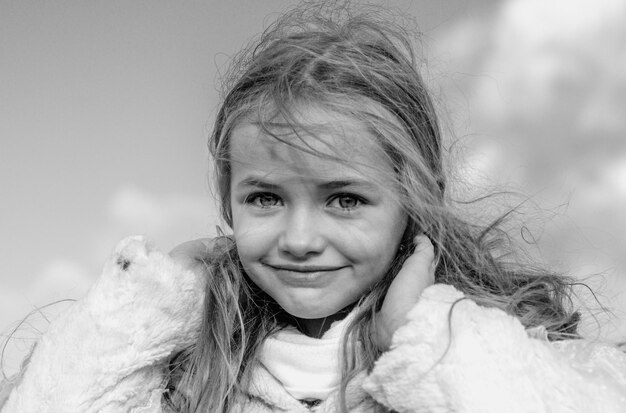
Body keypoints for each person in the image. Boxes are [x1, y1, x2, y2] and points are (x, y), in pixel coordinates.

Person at [2, 3, 625, 412]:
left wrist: (426, 339)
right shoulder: (189, 365)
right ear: (228, 201)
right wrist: (153, 306)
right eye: (266, 198)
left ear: (414, 199)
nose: (299, 238)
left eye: (345, 199)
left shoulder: (500, 342)